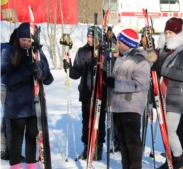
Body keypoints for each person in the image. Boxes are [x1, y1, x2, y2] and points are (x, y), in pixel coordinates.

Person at [1, 22, 54, 169]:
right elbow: (6, 79)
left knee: (32, 141)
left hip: (34, 105)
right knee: (16, 141)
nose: (26, 43)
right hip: (16, 105)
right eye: (23, 40)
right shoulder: (8, 52)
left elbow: (49, 78)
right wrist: (28, 69)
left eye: (29, 41)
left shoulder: (37, 52)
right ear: (18, 39)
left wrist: (40, 73)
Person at [105, 28, 153, 169]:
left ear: (126, 43)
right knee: (123, 142)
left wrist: (115, 83)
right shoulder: (122, 58)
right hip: (119, 106)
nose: (117, 44)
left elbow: (138, 84)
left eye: (119, 41)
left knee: (132, 144)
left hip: (131, 106)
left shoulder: (140, 61)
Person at [153, 17, 183, 169]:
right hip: (162, 94)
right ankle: (169, 160)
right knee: (164, 130)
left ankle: (178, 159)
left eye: (170, 32)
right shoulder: (164, 49)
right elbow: (155, 62)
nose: (167, 35)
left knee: (170, 129)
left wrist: (162, 70)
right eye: (166, 32)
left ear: (178, 34)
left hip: (176, 96)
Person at [63, 26, 106, 160]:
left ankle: (98, 146)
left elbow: (109, 71)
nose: (89, 39)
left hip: (100, 92)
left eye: (92, 37)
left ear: (98, 38)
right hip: (86, 93)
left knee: (99, 121)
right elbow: (76, 73)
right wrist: (68, 68)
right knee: (86, 122)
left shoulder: (104, 52)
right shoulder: (82, 52)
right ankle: (87, 147)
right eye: (88, 36)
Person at [1, 28, 17, 161]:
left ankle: (3, 149)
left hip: (4, 86)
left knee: (6, 116)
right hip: (5, 87)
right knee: (10, 118)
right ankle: (11, 152)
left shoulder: (5, 48)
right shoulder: (8, 51)